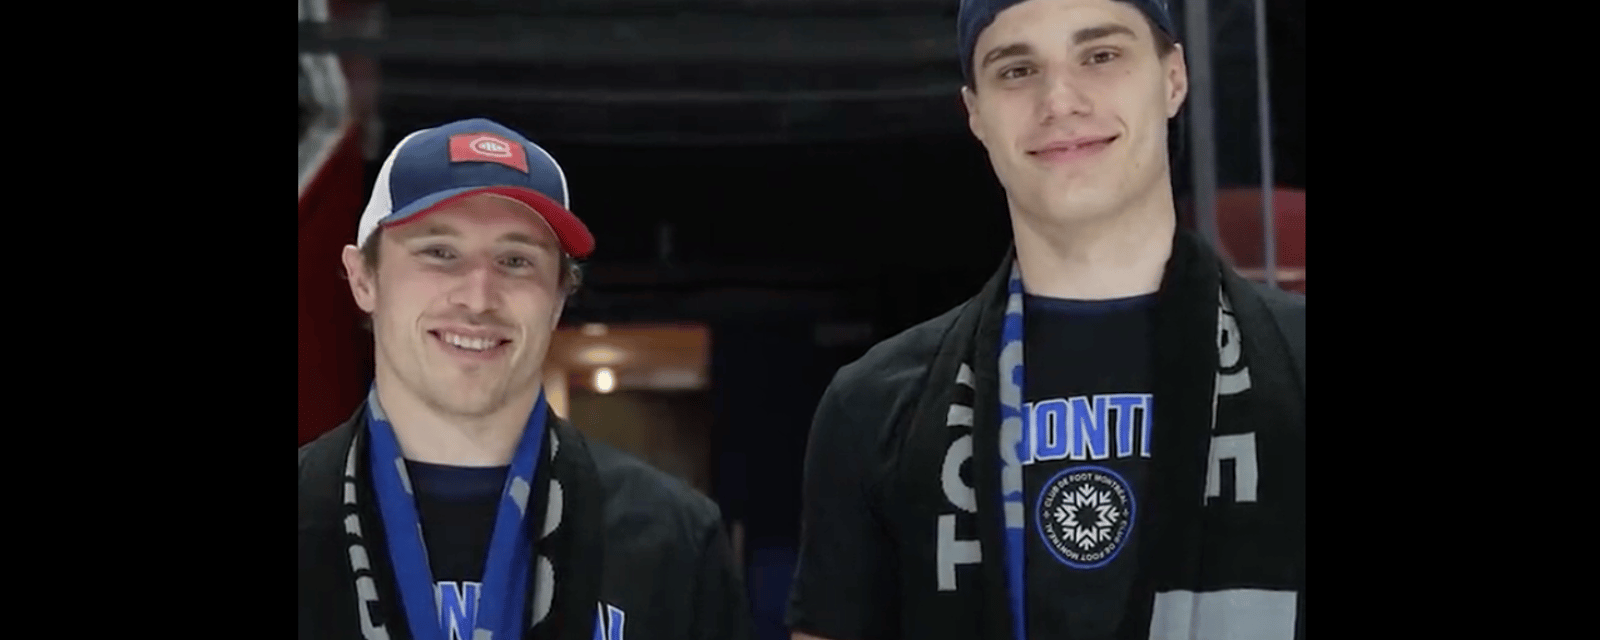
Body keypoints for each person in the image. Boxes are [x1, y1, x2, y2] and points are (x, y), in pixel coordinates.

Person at [785, 1, 1305, 639]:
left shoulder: (1298, 363)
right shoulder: (875, 405)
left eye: (1101, 56)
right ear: (975, 112)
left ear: (1174, 78)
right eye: (1016, 70)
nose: (1060, 100)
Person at [298, 118, 754, 640]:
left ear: (558, 299)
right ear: (364, 279)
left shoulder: (674, 538)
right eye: (439, 252)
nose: (478, 297)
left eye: (516, 261)